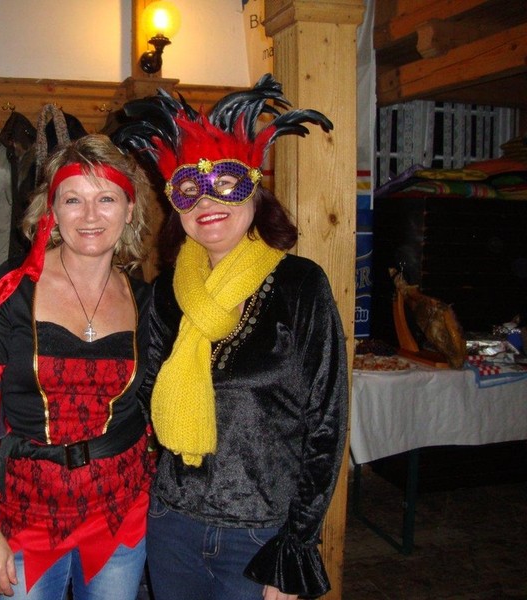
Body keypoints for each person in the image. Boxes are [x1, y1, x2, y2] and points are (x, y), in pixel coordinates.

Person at [114, 74, 348, 600]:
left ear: (255, 188)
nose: (207, 201)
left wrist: (296, 545)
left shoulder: (300, 285)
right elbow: (143, 398)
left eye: (226, 183)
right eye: (189, 189)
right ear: (175, 203)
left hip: (261, 535)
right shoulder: (165, 294)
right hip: (173, 524)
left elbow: (327, 422)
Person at [0, 133, 155, 600]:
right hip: (27, 513)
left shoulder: (145, 300)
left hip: (120, 509)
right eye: (73, 199)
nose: (90, 216)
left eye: (106, 199)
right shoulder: (9, 291)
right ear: (52, 210)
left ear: (129, 209)